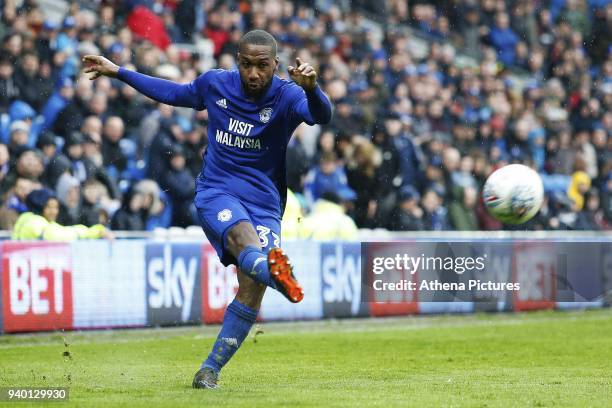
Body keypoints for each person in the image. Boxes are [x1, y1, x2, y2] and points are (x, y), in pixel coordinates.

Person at [83, 29, 332, 388]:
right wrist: (119, 71)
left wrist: (312, 88)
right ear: (237, 62)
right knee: (243, 239)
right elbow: (172, 92)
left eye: (262, 66)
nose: (253, 74)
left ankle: (209, 369)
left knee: (252, 286)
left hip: (265, 201)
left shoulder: (288, 95)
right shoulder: (215, 84)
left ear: (275, 65)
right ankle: (277, 274)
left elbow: (321, 116)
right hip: (218, 191)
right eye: (246, 65)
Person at [12, 189, 113, 241]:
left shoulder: (26, 217)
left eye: (56, 207)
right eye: (49, 207)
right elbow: (65, 234)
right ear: (39, 207)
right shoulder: (35, 222)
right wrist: (98, 231)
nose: (54, 212)